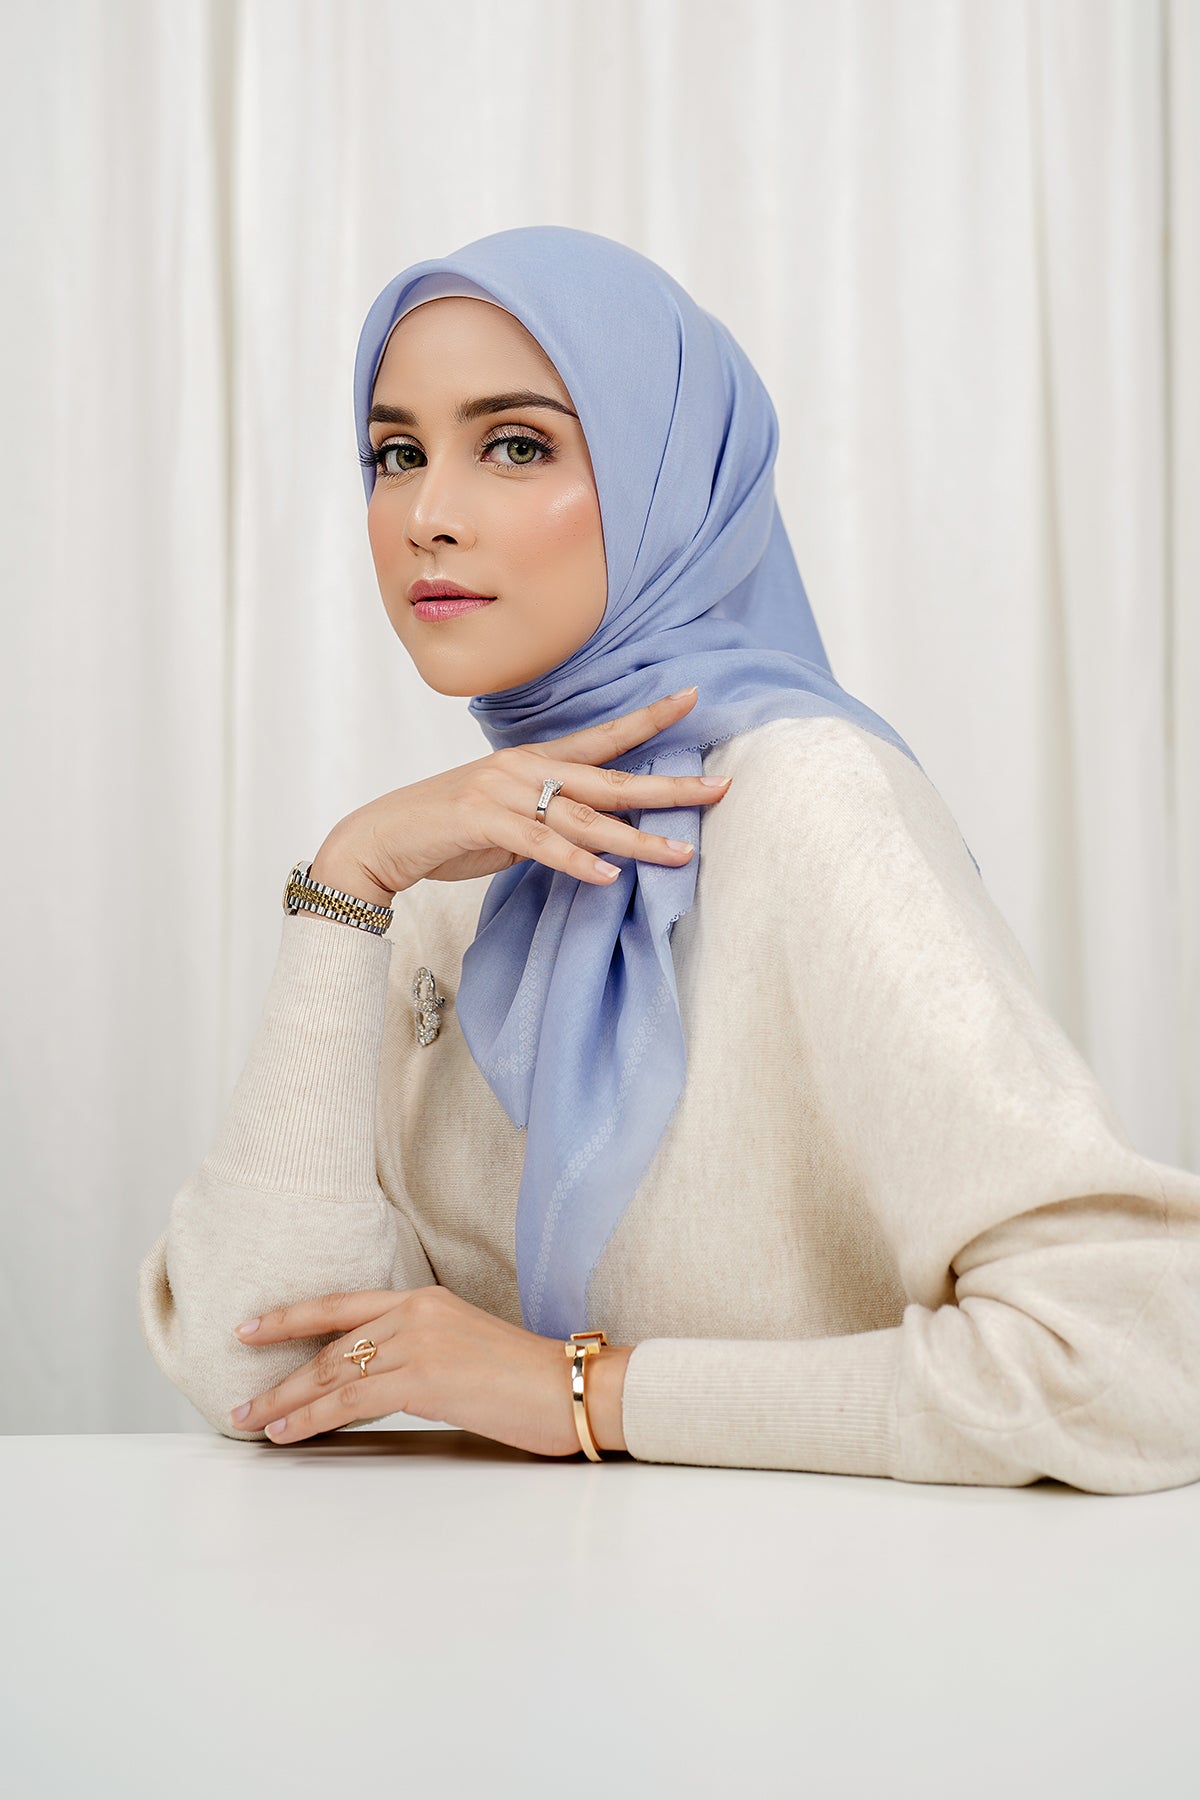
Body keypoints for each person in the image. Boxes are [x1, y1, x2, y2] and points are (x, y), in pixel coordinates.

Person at [138, 225, 1200, 1492]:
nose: (429, 517)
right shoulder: (455, 881)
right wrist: (349, 880)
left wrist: (588, 1393)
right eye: (397, 454)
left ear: (667, 482)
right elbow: (255, 1367)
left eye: (516, 446)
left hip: (849, 1615)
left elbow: (1135, 1359)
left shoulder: (805, 807)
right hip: (523, 1611)